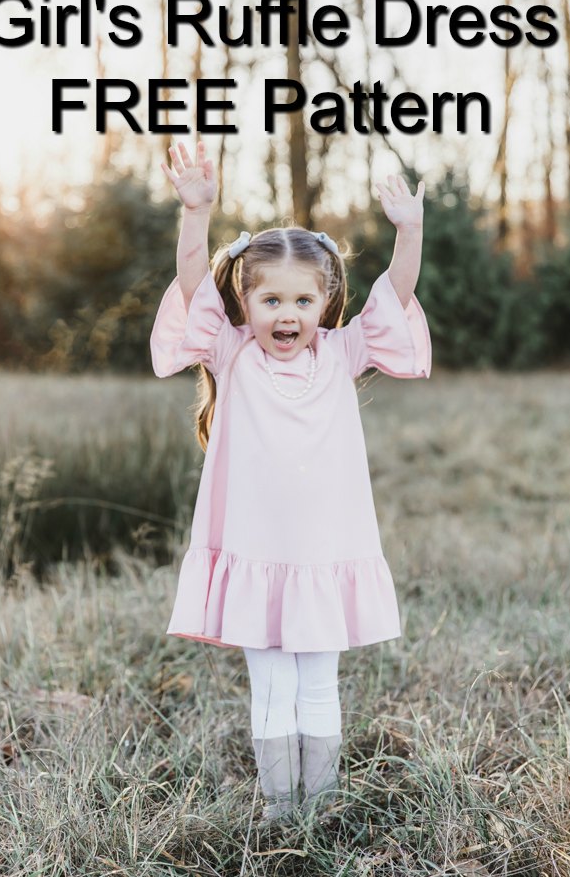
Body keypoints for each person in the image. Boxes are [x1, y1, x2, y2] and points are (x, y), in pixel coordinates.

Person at [150, 141, 431, 827]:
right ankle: (281, 813)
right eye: (269, 297)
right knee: (271, 686)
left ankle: (321, 806)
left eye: (302, 299)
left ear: (325, 298)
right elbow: (192, 284)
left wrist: (409, 230)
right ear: (243, 300)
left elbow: (393, 297)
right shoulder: (231, 352)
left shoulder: (340, 353)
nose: (286, 313)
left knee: (318, 685)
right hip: (255, 554)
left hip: (323, 557)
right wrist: (198, 215)